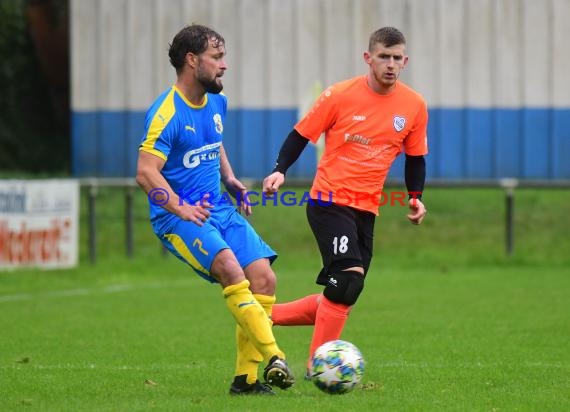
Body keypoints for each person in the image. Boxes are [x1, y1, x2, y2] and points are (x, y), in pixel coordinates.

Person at [136, 24, 294, 395]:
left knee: (264, 279)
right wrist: (179, 208)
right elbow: (145, 173)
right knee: (229, 269)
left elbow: (214, 142)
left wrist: (231, 179)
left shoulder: (216, 102)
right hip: (179, 218)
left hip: (219, 208)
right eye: (217, 57)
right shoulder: (166, 113)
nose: (224, 65)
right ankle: (275, 357)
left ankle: (247, 381)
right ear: (192, 61)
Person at [262, 27, 428, 374]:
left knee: (343, 293)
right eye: (384, 56)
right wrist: (280, 170)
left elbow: (415, 157)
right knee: (348, 277)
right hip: (328, 201)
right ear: (369, 58)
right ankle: (318, 364)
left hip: (366, 208)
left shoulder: (413, 105)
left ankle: (260, 317)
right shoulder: (339, 95)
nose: (391, 64)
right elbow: (300, 135)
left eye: (397, 58)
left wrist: (415, 198)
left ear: (405, 61)